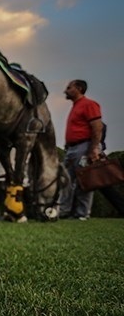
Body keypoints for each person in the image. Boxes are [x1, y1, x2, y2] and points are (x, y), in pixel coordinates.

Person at [58, 79, 104, 220]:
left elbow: (97, 127)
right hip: (72, 148)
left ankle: (82, 213)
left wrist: (94, 148)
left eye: (69, 87)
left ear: (78, 88)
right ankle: (64, 211)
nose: (65, 90)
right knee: (67, 180)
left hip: (84, 147)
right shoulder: (76, 106)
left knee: (85, 180)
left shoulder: (89, 104)